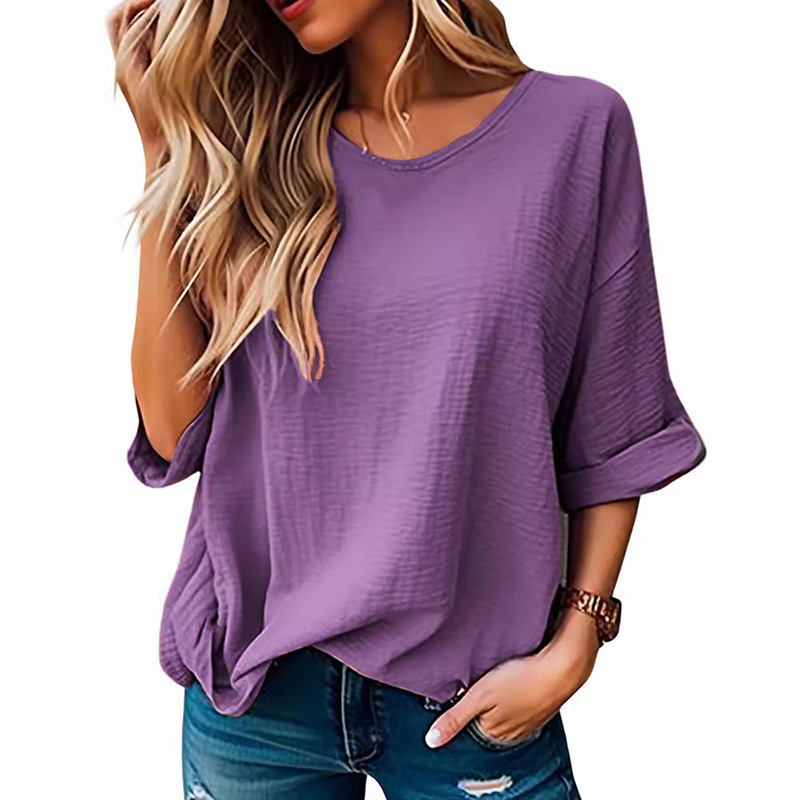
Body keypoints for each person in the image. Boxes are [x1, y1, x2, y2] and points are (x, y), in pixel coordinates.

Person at [107, 0, 707, 797]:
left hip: (471, 696)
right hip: (258, 696)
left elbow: (614, 419)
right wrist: (164, 153)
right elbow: (172, 429)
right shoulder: (252, 152)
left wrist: (578, 640)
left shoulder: (575, 129)